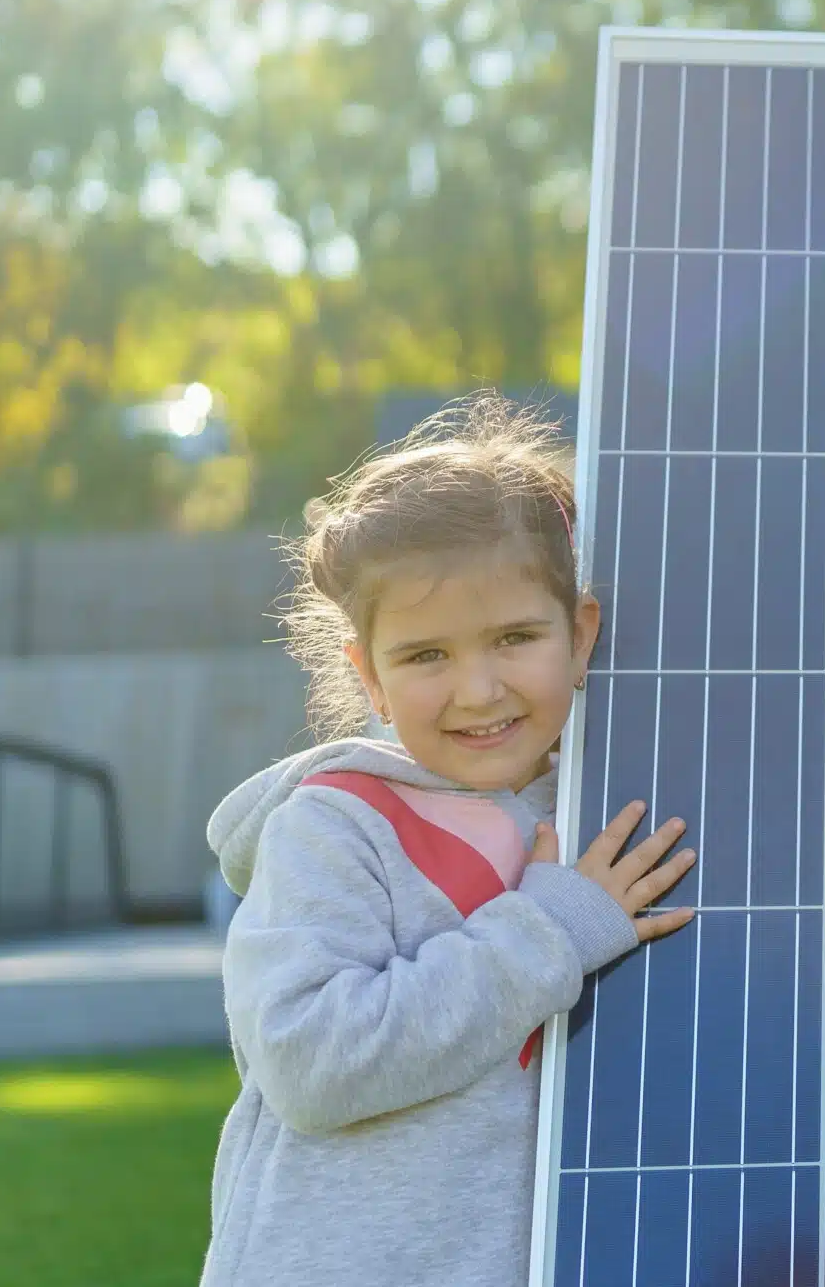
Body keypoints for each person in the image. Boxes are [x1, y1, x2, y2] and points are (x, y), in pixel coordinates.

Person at [200, 394, 698, 1287]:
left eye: (515, 637)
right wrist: (550, 931)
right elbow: (311, 1063)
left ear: (579, 634)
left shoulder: (601, 820)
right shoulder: (334, 828)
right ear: (370, 675)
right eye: (427, 655)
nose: (476, 689)